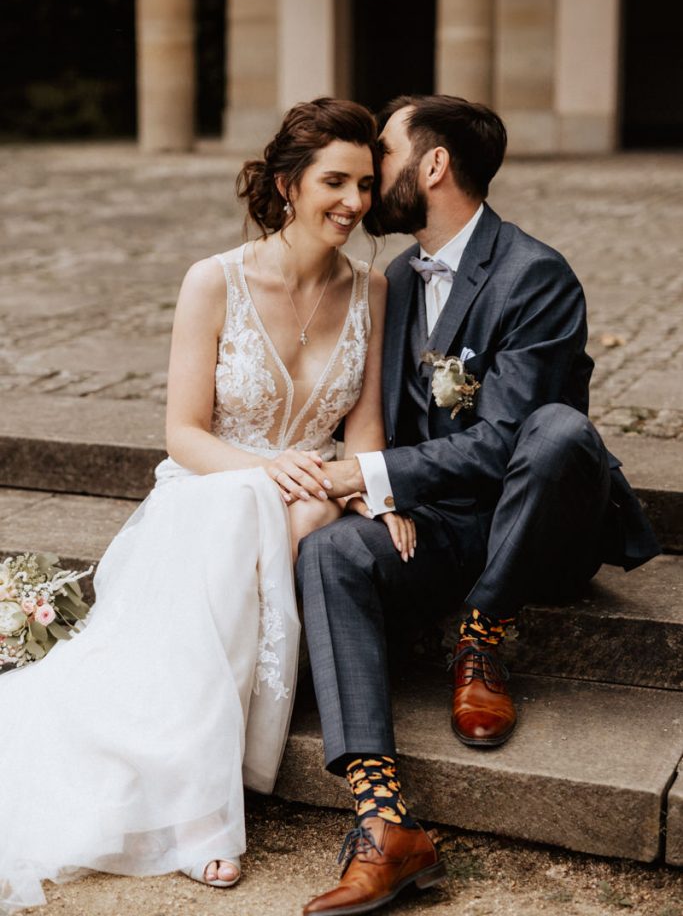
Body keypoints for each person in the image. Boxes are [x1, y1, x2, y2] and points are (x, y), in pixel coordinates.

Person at [0, 98, 416, 914]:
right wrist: (267, 477)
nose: (355, 203)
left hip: (312, 499)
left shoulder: (371, 288)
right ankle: (199, 807)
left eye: (366, 185)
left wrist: (374, 490)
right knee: (243, 514)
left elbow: (364, 429)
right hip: (212, 489)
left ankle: (206, 794)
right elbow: (184, 435)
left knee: (292, 517)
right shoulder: (214, 279)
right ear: (288, 184)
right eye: (335, 181)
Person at [296, 95, 660, 916]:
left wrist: (370, 475)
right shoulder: (394, 277)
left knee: (560, 430)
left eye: (381, 155)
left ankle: (481, 630)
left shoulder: (535, 274)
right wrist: (373, 498)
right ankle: (384, 819)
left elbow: (502, 444)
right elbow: (383, 417)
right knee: (327, 553)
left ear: (432, 166)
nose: (366, 176)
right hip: (443, 526)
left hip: (537, 524)